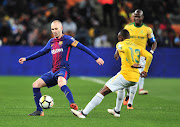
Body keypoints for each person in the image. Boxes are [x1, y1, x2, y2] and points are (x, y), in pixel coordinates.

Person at [18, 20, 104, 116]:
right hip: (53, 72)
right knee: (35, 85)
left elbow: (83, 47)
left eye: (56, 29)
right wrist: (26, 58)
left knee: (61, 83)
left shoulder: (68, 39)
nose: (54, 31)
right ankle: (39, 111)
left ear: (61, 28)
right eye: (52, 29)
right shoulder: (51, 42)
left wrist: (97, 58)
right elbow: (40, 52)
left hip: (63, 70)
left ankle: (72, 103)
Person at [70, 29, 153, 118]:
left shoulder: (120, 44)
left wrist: (131, 63)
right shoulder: (137, 46)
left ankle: (83, 113)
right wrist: (145, 70)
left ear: (121, 38)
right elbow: (149, 56)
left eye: (118, 37)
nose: (118, 39)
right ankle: (117, 111)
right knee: (120, 89)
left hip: (125, 75)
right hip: (135, 78)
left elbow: (125, 48)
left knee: (103, 91)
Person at [121, 9, 157, 109]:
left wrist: (151, 52)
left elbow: (154, 42)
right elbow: (122, 39)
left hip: (140, 57)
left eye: (138, 16)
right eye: (135, 16)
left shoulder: (147, 29)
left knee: (136, 79)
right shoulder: (128, 27)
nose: (137, 18)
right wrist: (118, 51)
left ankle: (130, 104)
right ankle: (128, 95)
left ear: (142, 17)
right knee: (127, 78)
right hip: (128, 56)